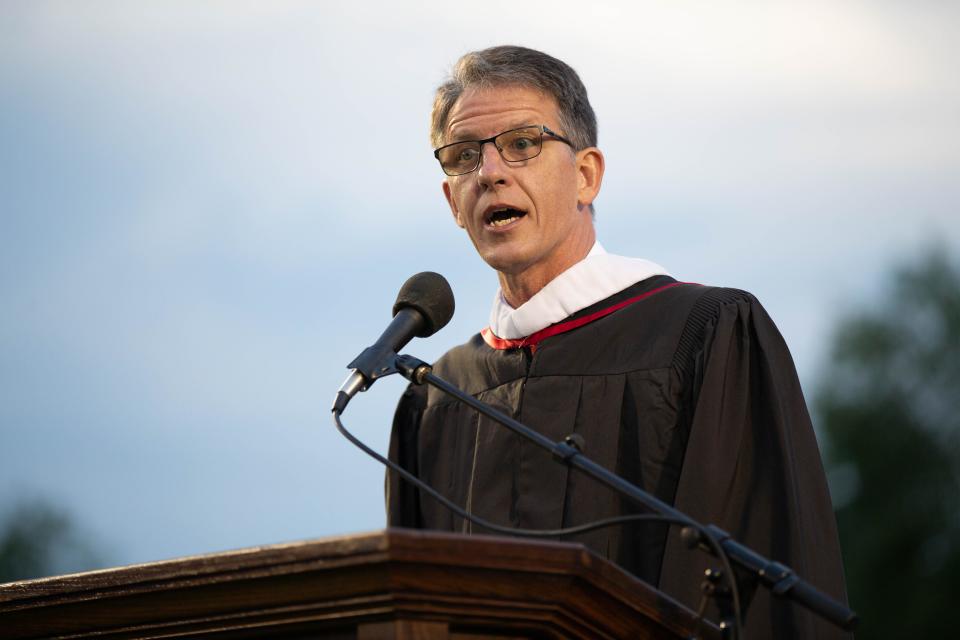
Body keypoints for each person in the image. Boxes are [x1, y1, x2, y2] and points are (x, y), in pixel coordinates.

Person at [387, 45, 849, 638]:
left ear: (586, 175)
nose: (491, 172)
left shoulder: (704, 335)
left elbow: (764, 588)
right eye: (463, 156)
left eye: (523, 144)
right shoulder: (439, 396)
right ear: (452, 202)